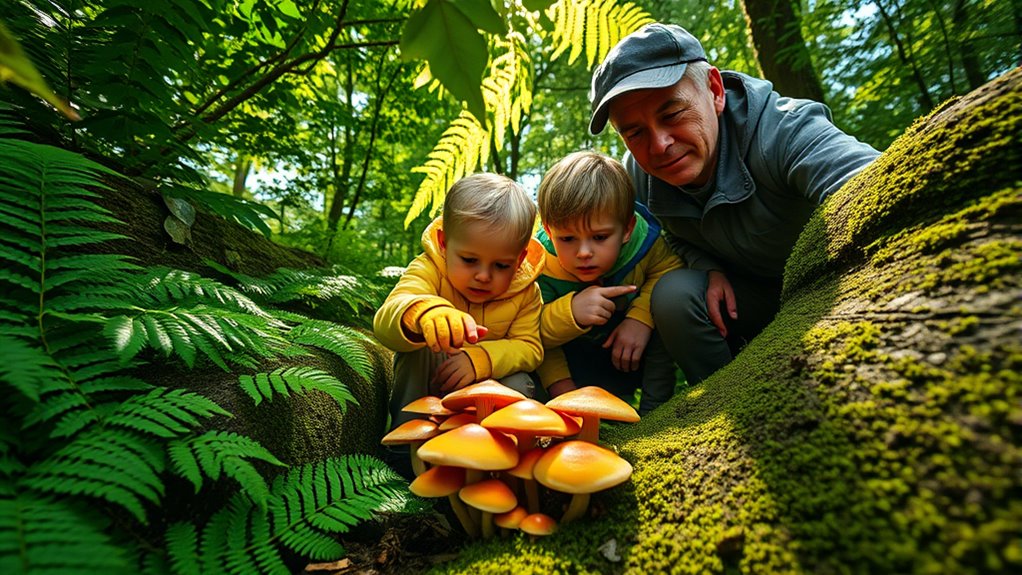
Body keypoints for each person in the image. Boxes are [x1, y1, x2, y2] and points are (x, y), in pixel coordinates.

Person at [588, 23, 881, 384]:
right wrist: (706, 265)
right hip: (746, 303)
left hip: (835, 286)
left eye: (672, 114)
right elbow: (665, 239)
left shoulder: (783, 129)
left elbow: (873, 184)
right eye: (634, 132)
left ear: (714, 90)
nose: (659, 144)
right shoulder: (640, 176)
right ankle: (726, 399)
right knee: (674, 296)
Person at [373, 172, 545, 435]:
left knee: (520, 382)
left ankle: (500, 456)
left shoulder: (526, 292)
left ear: (519, 260)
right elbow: (386, 321)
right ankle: (406, 445)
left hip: (488, 385)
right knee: (417, 352)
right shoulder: (429, 269)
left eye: (501, 265)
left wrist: (479, 359)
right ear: (444, 243)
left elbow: (530, 348)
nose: (484, 276)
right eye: (469, 260)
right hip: (434, 380)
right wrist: (424, 313)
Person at [535, 151, 683, 415]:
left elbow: (669, 269)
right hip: (573, 364)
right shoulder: (538, 267)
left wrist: (640, 319)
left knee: (668, 311)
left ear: (626, 229)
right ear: (549, 230)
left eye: (600, 237)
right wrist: (570, 313)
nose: (583, 252)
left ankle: (656, 414)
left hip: (629, 353)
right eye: (567, 239)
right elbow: (531, 331)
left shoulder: (646, 245)